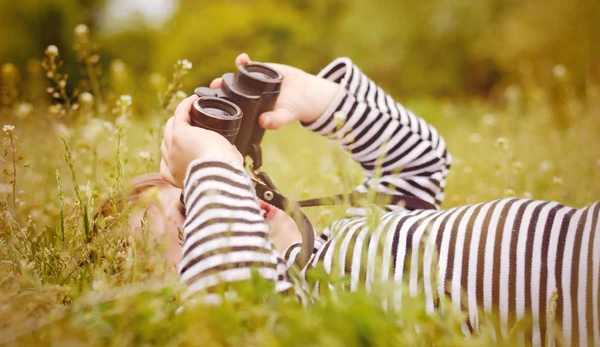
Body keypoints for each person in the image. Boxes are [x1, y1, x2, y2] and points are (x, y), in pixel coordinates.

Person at [147, 54, 599, 346]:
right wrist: (213, 161)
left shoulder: (354, 239)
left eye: (209, 187)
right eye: (197, 210)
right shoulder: (309, 321)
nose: (228, 197)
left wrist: (316, 98)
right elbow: (231, 315)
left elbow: (421, 162)